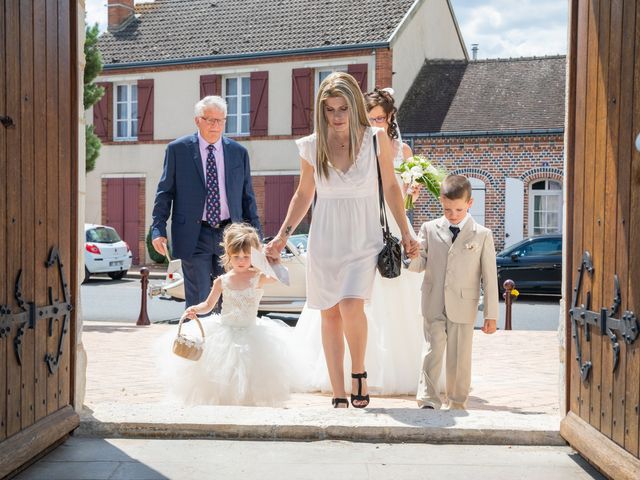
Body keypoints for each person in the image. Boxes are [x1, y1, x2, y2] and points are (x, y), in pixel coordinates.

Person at [265, 72, 418, 409]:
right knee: (329, 313)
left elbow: (392, 188)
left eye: (343, 109)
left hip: (364, 236)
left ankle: (358, 372)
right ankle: (338, 389)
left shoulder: (376, 140)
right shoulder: (311, 145)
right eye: (330, 109)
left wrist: (406, 231)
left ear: (355, 108)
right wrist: (281, 237)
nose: (337, 117)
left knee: (351, 304)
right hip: (325, 238)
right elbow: (304, 194)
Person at [157, 223, 300, 406]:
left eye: (246, 256)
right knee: (224, 373)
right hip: (225, 332)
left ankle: (248, 405)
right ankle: (225, 407)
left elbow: (282, 277)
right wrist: (195, 309)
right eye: (236, 256)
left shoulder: (258, 278)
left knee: (250, 372)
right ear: (228, 256)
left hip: (251, 333)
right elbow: (208, 304)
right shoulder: (222, 281)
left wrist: (273, 260)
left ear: (253, 256)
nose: (241, 260)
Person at [151, 95, 262, 308]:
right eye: (209, 119)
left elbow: (248, 198)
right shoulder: (178, 150)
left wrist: (256, 238)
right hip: (194, 235)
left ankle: (225, 342)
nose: (215, 125)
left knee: (230, 298)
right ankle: (199, 340)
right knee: (200, 299)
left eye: (220, 120)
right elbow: (165, 192)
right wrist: (158, 229)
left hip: (230, 235)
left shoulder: (239, 153)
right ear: (197, 120)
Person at [408, 174, 499, 410]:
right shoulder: (429, 229)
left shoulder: (482, 235)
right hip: (433, 301)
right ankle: (427, 399)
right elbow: (419, 266)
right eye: (448, 209)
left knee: (460, 357)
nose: (453, 214)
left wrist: (491, 314)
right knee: (432, 350)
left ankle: (457, 401)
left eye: (458, 209)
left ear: (470, 204)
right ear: (441, 202)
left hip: (464, 304)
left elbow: (490, 278)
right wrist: (412, 255)